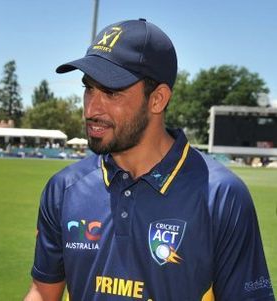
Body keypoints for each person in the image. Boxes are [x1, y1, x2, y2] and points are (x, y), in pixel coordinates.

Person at [24, 19, 274, 301]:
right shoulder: (64, 189)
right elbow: (43, 292)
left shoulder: (222, 196)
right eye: (89, 89)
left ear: (157, 99)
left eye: (110, 92)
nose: (91, 107)